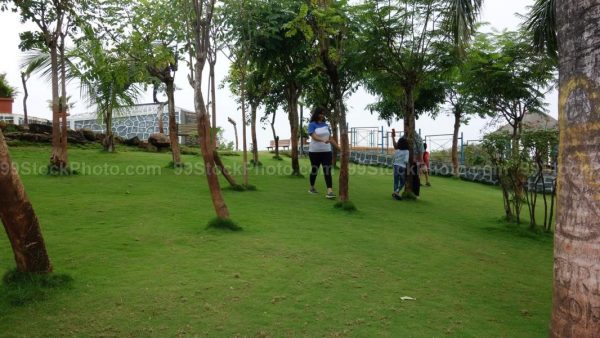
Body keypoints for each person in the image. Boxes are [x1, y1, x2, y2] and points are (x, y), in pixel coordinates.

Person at [307, 107, 339, 199]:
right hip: (314, 152)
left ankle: (330, 191)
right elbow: (313, 136)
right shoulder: (312, 124)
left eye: (323, 113)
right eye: (320, 113)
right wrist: (322, 140)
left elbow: (330, 138)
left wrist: (339, 148)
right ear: (316, 114)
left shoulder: (326, 125)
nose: (322, 115)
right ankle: (312, 187)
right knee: (315, 170)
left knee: (327, 170)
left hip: (326, 151)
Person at [391, 129, 409, 200]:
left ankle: (395, 193)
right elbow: (406, 160)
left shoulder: (397, 151)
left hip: (395, 166)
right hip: (402, 167)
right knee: (403, 181)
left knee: (396, 181)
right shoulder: (407, 151)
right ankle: (397, 191)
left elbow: (394, 158)